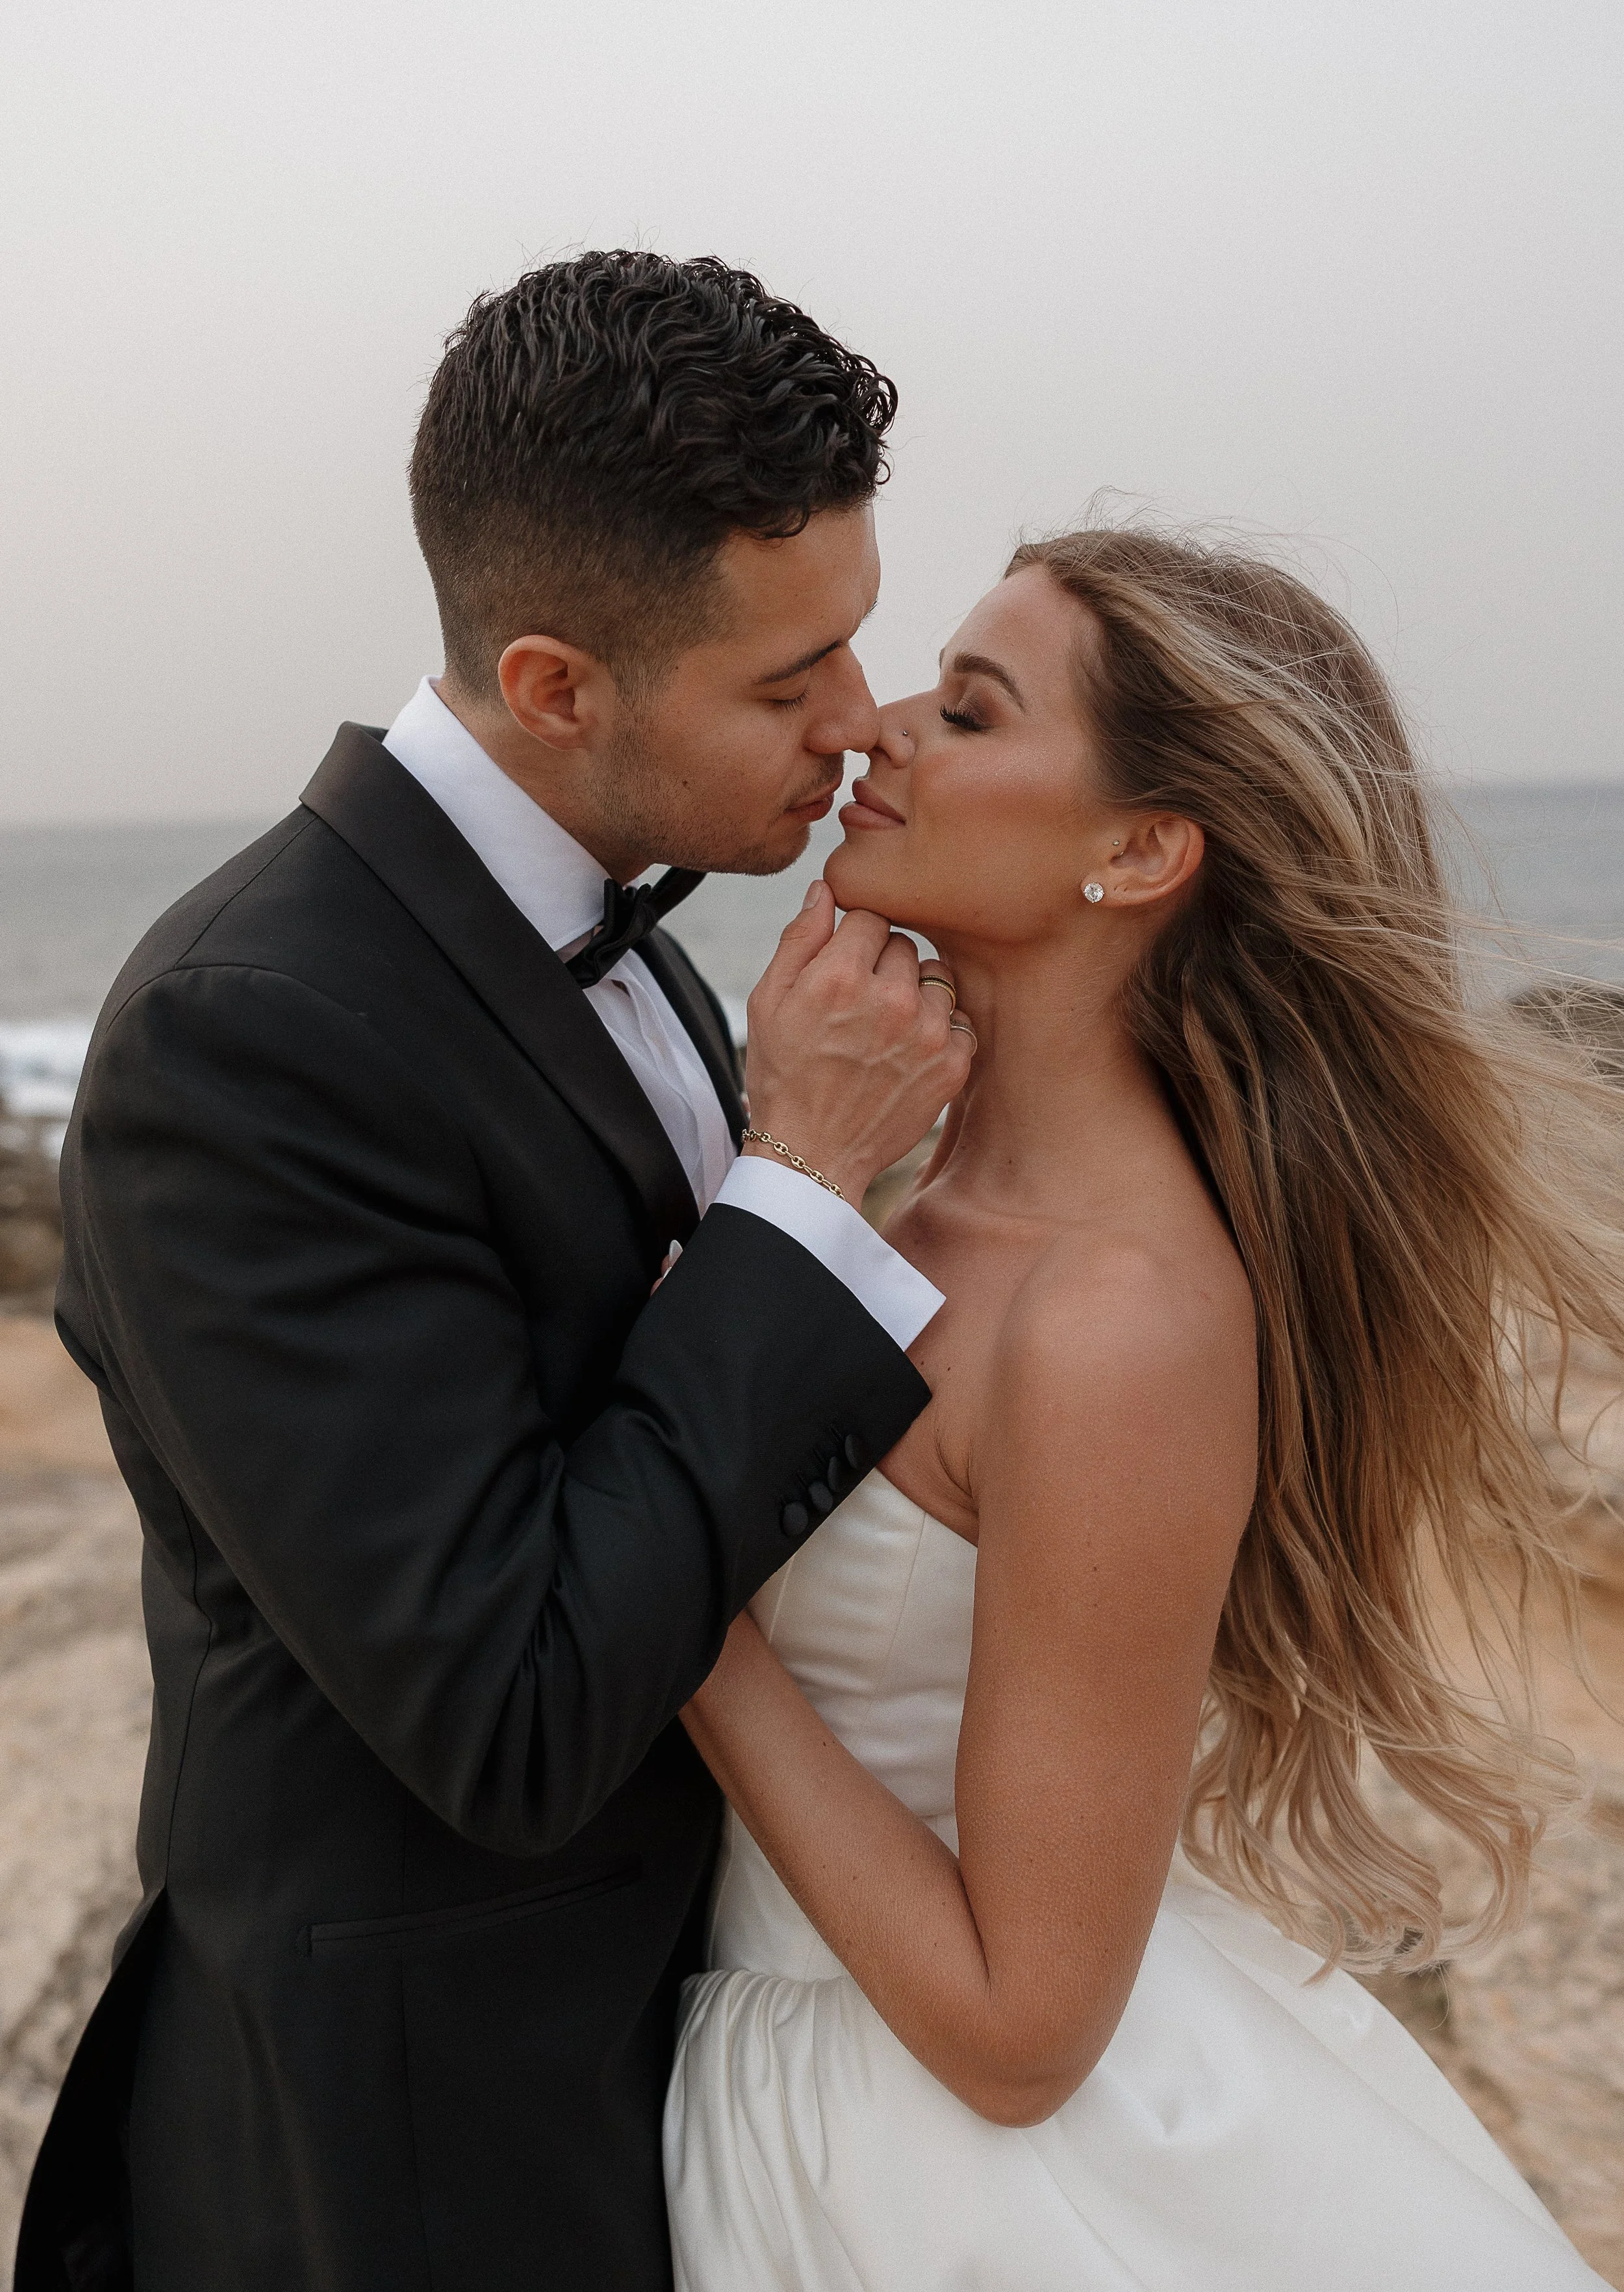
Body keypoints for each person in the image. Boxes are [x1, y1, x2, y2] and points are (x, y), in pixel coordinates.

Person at [16, 254, 972, 2292]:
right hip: (423, 2140)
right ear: (554, 686)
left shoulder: (625, 928)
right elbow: (512, 1709)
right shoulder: (246, 1036)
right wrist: (804, 1174)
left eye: (859, 646)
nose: (857, 725)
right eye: (786, 678)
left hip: (691, 2050)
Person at [665, 527, 1621, 2288]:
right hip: (792, 2072)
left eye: (963, 709)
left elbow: (1024, 2033)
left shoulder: (1119, 1318)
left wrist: (673, 1602)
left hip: (953, 2170)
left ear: (1139, 850)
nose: (872, 728)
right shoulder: (907, 1205)